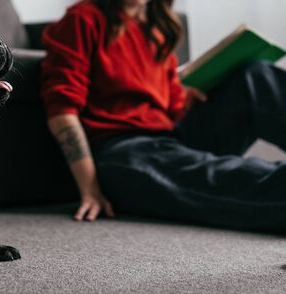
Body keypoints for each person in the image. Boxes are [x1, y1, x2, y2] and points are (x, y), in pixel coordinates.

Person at [40, 0, 286, 231]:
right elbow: (62, 112)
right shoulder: (82, 18)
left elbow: (172, 107)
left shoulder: (157, 29)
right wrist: (90, 189)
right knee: (218, 175)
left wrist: (189, 101)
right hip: (122, 150)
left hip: (171, 136)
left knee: (255, 77)